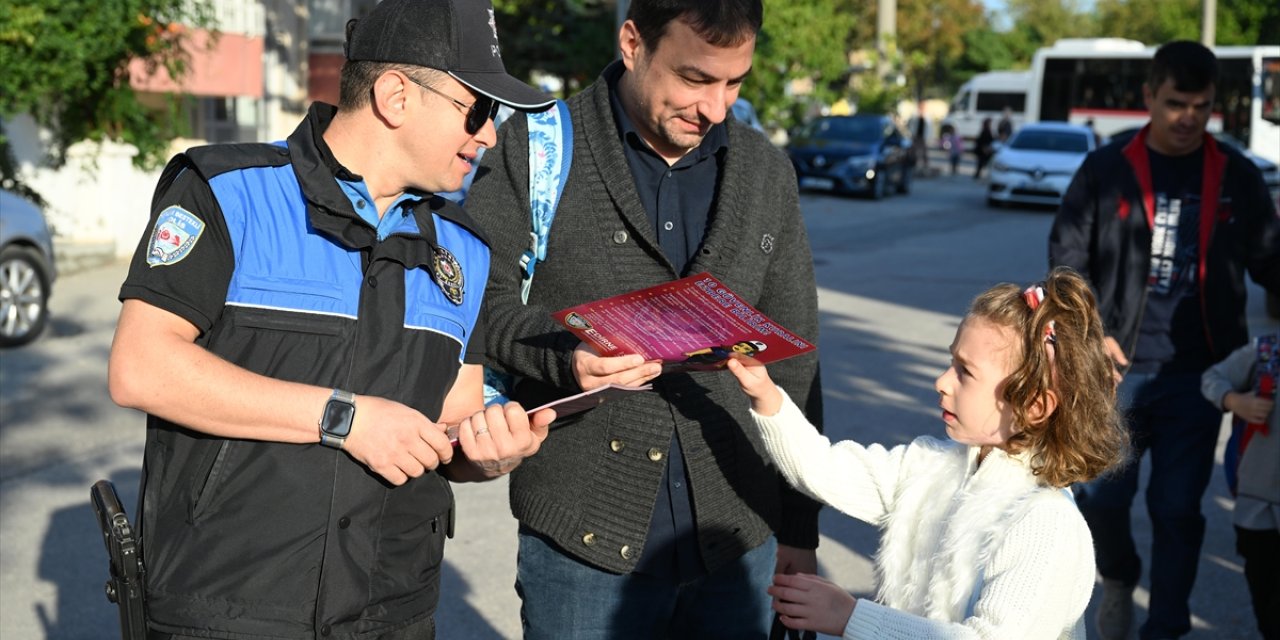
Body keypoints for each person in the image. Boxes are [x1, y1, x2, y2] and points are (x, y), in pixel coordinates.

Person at [105, 0, 558, 637]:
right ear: (396, 96)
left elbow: (450, 419)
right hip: (230, 609)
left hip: (389, 612)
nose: (489, 134)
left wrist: (485, 455)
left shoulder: (466, 249)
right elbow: (141, 368)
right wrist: (344, 418)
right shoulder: (227, 191)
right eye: (479, 108)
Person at [464, 0, 824, 637]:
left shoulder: (766, 172)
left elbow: (795, 361)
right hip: (582, 547)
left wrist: (799, 526)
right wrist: (563, 357)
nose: (715, 108)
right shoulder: (532, 150)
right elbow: (473, 304)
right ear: (633, 43)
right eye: (694, 79)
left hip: (739, 541)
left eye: (734, 83)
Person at [726, 267, 1130, 639]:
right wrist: (767, 397)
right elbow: (825, 468)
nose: (941, 381)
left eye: (965, 372)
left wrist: (851, 617)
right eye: (949, 362)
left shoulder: (1045, 524)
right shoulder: (931, 466)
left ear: (1034, 406)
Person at [1049, 40, 1280, 640]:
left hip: (1198, 377)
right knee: (1101, 502)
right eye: (1176, 103)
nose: (1188, 118)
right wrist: (1089, 334)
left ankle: (1167, 627)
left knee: (1177, 511)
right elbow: (1065, 264)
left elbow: (1271, 261)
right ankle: (1119, 577)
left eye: (1201, 106)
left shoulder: (1236, 174)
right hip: (1114, 375)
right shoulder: (1106, 168)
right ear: (1148, 97)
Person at [1201, 334, 1279, 640]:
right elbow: (1213, 377)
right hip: (1257, 507)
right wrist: (1235, 401)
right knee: (1267, 606)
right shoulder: (1267, 353)